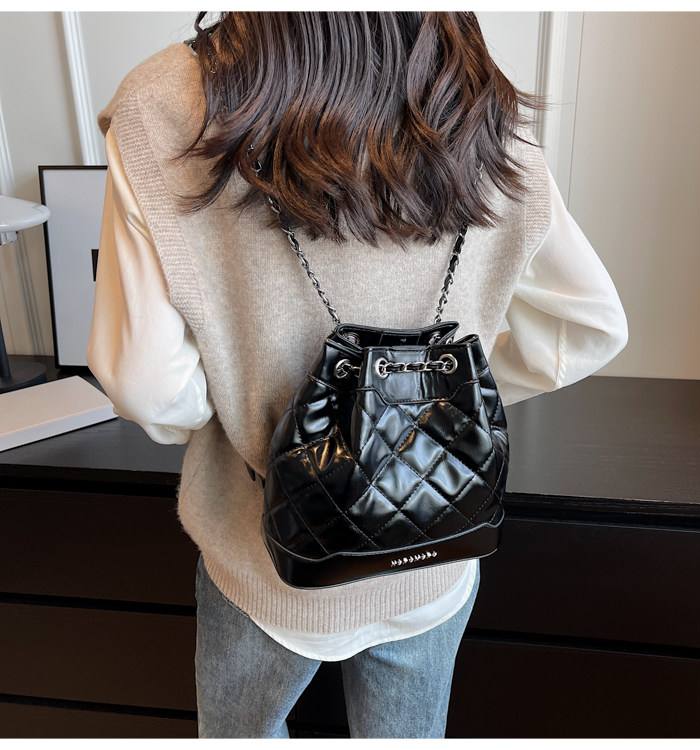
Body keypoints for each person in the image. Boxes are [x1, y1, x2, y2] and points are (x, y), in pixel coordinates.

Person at [87, 11, 628, 739]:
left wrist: (248, 411)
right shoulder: (479, 101)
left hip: (261, 552)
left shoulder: (164, 101)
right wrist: (438, 406)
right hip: (435, 544)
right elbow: (589, 325)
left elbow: (147, 386)